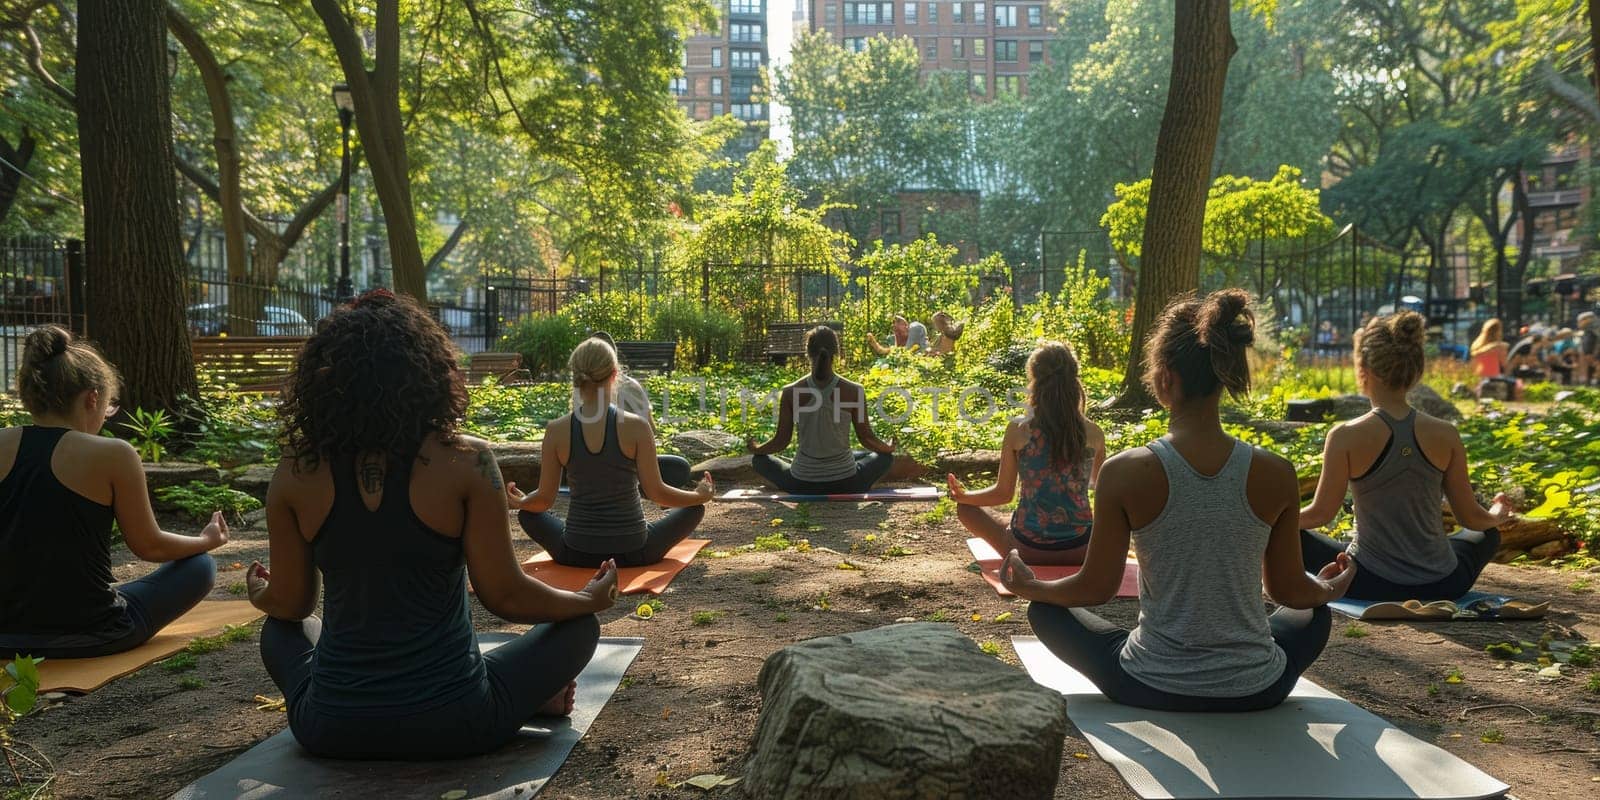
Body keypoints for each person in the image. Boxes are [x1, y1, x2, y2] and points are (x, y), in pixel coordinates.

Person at [248, 291, 614, 760]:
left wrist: (262, 594)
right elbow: (505, 595)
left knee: (279, 630)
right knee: (579, 627)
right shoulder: (467, 460)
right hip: (457, 721)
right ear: (427, 372)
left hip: (329, 727)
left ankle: (514, 693)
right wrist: (585, 599)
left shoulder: (295, 470)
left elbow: (293, 603)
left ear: (323, 383)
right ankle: (524, 698)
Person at [1002, 290, 1355, 712]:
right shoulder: (1276, 472)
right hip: (1259, 687)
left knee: (1045, 611)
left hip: (1148, 683)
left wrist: (1031, 586)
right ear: (1224, 374)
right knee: (1315, 613)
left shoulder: (1124, 471)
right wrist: (1330, 586)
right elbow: (1288, 590)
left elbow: (1096, 587)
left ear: (1165, 378)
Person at [0, 326, 224, 660]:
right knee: (201, 566)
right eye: (105, 408)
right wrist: (206, 541)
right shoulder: (112, 454)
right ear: (92, 398)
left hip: (5, 635)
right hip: (95, 632)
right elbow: (148, 545)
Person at [1299, 311, 1513, 602]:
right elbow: (1472, 518)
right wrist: (1498, 515)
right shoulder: (1445, 433)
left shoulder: (1345, 436)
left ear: (1364, 368)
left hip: (1368, 581)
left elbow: (1319, 514)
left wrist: (1269, 518)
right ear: (1417, 369)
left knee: (1287, 534)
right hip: (1444, 583)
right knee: (1487, 535)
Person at [508, 338, 713, 567]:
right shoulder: (636, 426)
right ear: (615, 374)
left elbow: (544, 500)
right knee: (693, 511)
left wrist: (522, 501)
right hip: (636, 551)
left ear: (575, 376)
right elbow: (657, 493)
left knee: (527, 515)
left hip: (575, 552)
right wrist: (699, 496)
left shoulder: (556, 430)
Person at [947, 341, 1104, 565]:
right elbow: (1103, 495)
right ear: (1074, 379)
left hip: (1025, 550)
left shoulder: (1019, 430)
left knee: (966, 510)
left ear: (1034, 381)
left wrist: (965, 496)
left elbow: (1003, 494)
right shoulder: (1094, 433)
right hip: (1082, 550)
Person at [748, 325, 898, 494]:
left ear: (807, 352)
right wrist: (888, 448)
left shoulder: (791, 392)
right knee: (884, 458)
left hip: (800, 484)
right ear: (837, 352)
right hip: (848, 483)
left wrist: (758, 449)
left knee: (759, 461)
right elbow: (867, 439)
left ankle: (807, 467)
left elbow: (781, 441)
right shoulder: (854, 390)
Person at [587, 331, 691, 488]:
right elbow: (650, 429)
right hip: (626, 463)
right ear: (614, 359)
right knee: (680, 467)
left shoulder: (579, 391)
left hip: (590, 466)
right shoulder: (628, 385)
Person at [1469, 318, 1517, 400]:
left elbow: (1472, 365)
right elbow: (1505, 366)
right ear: (1496, 331)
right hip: (1494, 376)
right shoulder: (1501, 346)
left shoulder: (1476, 345)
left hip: (1479, 378)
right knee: (1518, 384)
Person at [1576, 311, 1597, 386]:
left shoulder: (1592, 332)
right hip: (1589, 361)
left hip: (1592, 359)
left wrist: (1594, 361)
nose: (1578, 323)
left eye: (1580, 321)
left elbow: (1589, 349)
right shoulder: (1586, 332)